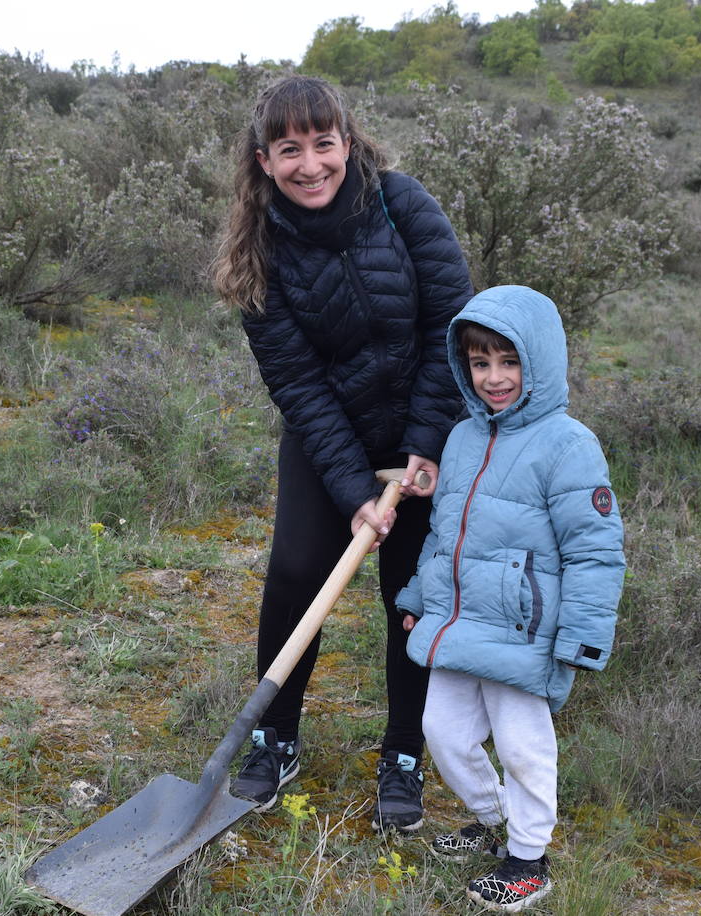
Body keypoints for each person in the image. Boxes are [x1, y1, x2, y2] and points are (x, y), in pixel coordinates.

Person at [212, 74, 473, 832]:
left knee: (412, 596)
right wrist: (353, 485)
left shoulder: (401, 203)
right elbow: (295, 380)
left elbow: (451, 326)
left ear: (346, 144)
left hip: (426, 427)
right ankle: (274, 737)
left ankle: (402, 753)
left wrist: (426, 444)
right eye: (288, 150)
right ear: (264, 160)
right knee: (297, 572)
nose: (310, 165)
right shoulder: (256, 251)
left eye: (322, 144)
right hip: (329, 434)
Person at [397, 285, 626, 911]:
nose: (494, 378)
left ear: (541, 361)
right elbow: (446, 532)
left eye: (509, 360)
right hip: (459, 620)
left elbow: (595, 550)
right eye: (480, 362)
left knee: (524, 748)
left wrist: (581, 637)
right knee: (441, 731)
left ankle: (528, 857)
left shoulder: (569, 445)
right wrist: (421, 594)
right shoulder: (463, 438)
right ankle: (489, 817)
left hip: (526, 632)